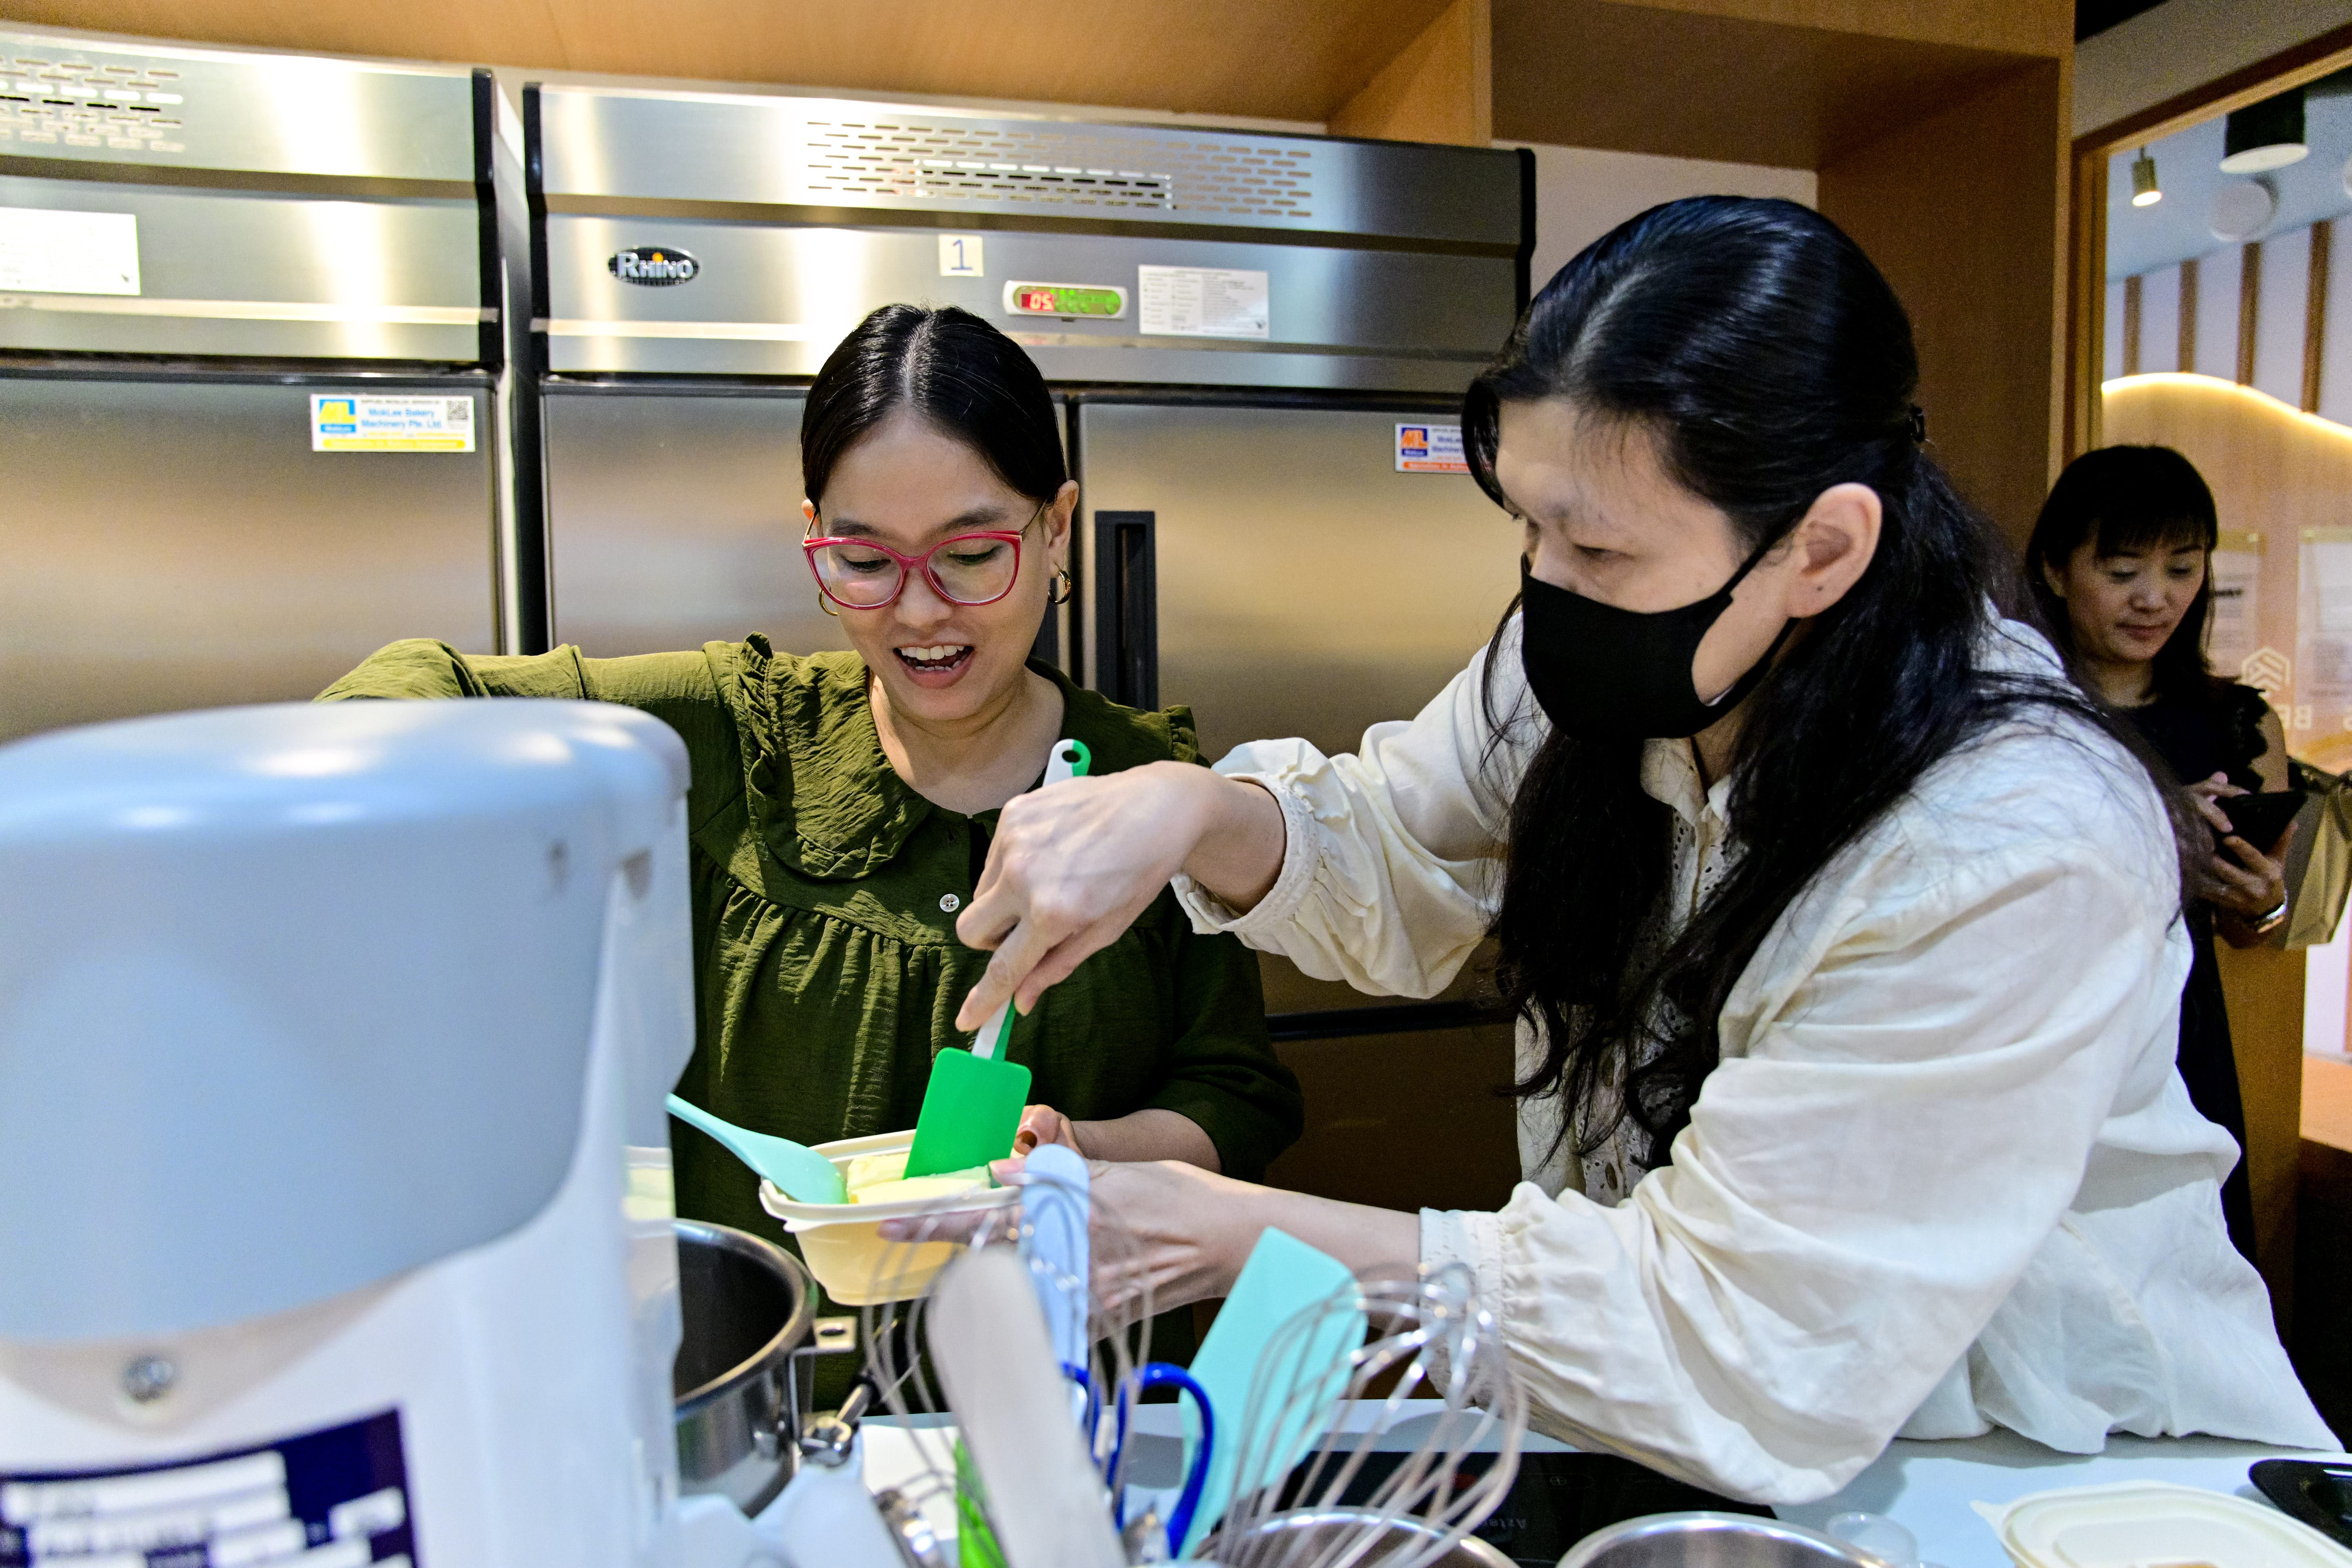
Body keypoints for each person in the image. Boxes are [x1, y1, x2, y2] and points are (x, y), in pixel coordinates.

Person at [933, 199, 2335, 1502]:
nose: (1545, 586)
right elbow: (1402, 848)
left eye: (1596, 550)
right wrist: (1196, 807)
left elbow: (1747, 1333)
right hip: (1737, 1450)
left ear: (1823, 549)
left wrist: (1234, 1230)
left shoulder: (2011, 839)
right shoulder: (1613, 663)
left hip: (2050, 1474)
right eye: (1527, 526)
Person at [321, 304, 1303, 1362]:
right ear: (812, 540)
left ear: (1057, 526)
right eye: (864, 560)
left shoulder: (1153, 796)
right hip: (762, 1415)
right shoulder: (733, 732)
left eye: (971, 555)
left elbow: (1229, 1095)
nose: (919, 613)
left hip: (1066, 1417)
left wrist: (1082, 1149)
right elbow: (435, 689)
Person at [2025, 445, 2292, 1263]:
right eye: (2121, 568)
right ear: (2057, 569)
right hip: (2044, 1028)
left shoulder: (2239, 726)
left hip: (2182, 1038)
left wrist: (2262, 904)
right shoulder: (2015, 712)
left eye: (2181, 569)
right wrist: (2147, 823)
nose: (2155, 598)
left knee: (2187, 1274)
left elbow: (2256, 932)